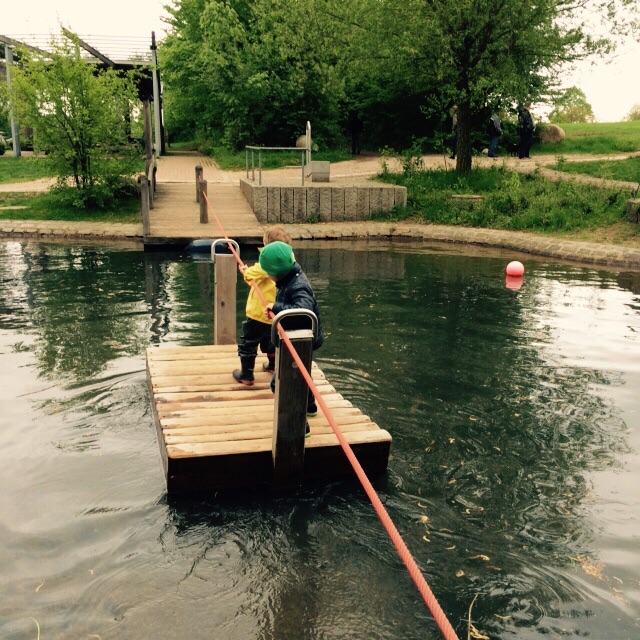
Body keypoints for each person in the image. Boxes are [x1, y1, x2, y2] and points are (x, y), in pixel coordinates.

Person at [260, 241, 324, 419]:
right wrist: (276, 308)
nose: (266, 274)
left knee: (282, 383)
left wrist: (278, 307)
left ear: (276, 272)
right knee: (302, 374)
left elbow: (303, 309)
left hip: (300, 339)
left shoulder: (298, 285)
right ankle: (310, 406)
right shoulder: (290, 277)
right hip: (297, 335)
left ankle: (297, 425)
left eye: (267, 272)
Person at [232, 227, 293, 386]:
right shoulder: (289, 260)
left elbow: (251, 275)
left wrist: (244, 270)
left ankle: (247, 374)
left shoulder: (265, 264)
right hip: (275, 312)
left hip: (259, 312)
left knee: (249, 342)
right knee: (271, 341)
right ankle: (273, 366)